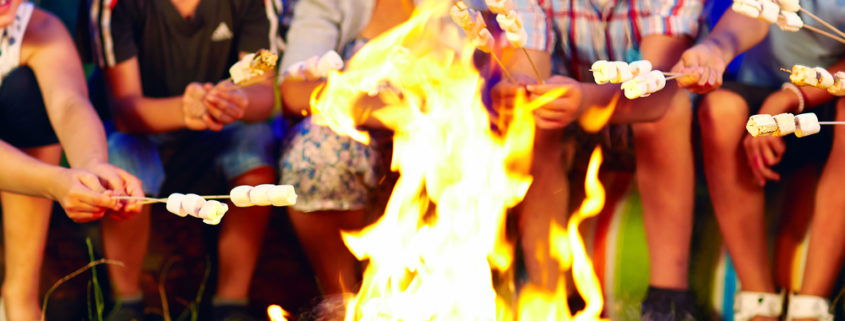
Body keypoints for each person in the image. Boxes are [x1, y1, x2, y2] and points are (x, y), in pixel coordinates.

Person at [494, 0, 703, 319]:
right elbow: (526, 59)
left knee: (668, 110)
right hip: (574, 116)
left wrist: (586, 101)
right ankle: (547, 295)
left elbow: (657, 91)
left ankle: (668, 300)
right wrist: (522, 91)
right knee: (533, 122)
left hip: (657, 115)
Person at [90, 0, 279, 319]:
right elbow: (124, 110)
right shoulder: (112, 7)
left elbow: (263, 91)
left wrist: (236, 101)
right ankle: (127, 303)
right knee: (121, 153)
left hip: (220, 132)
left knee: (256, 143)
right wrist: (185, 109)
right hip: (144, 130)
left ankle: (231, 304)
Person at [673, 4, 845, 320]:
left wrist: (787, 99)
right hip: (761, 90)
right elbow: (753, 12)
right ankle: (758, 302)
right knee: (720, 109)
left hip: (830, 105)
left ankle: (811, 307)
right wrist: (716, 48)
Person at [0, 1, 144, 320]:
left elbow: (69, 103)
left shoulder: (38, 27)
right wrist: (53, 182)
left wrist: (92, 165)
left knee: (28, 92)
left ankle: (19, 295)